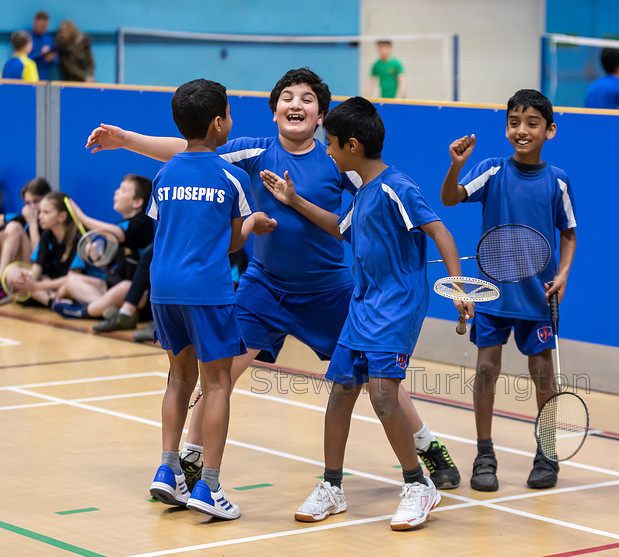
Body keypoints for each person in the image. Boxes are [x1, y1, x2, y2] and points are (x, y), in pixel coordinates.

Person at [85, 68, 462, 492]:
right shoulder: (254, 153)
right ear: (273, 112)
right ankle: (190, 461)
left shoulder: (339, 160)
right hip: (263, 288)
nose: (295, 103)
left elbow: (380, 193)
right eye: (287, 96)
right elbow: (192, 151)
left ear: (322, 117)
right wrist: (127, 140)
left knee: (378, 376)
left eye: (306, 98)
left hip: (329, 292)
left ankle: (427, 445)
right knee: (220, 374)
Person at [261, 96, 471, 530]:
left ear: (352, 146)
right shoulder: (362, 191)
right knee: (339, 393)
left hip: (397, 308)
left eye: (331, 144)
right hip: (363, 305)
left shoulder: (398, 186)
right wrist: (294, 200)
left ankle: (418, 485)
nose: (327, 152)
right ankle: (333, 488)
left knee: (382, 396)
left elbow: (442, 232)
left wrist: (457, 287)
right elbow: (340, 229)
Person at [146, 78, 275, 520]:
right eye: (230, 116)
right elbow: (231, 247)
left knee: (177, 378)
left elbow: (165, 230)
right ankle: (210, 487)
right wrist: (253, 222)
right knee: (216, 383)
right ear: (219, 123)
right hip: (207, 291)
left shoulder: (165, 173)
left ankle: (167, 471)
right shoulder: (231, 176)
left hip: (163, 290)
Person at [440, 89, 578, 491]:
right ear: (506, 128)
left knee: (542, 374)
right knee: (485, 370)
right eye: (515, 123)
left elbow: (569, 233)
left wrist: (564, 273)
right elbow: (450, 199)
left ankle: (547, 451)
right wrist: (455, 166)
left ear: (549, 130)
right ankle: (485, 454)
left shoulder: (558, 181)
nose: (522, 130)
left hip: (537, 294)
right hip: (493, 294)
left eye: (532, 123)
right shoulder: (492, 169)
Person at [51, 174, 154, 321]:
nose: (116, 192)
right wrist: (97, 256)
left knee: (125, 287)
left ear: (137, 202)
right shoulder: (119, 224)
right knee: (73, 280)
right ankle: (110, 311)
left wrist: (83, 219)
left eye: (123, 190)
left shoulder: (143, 223)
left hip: (139, 295)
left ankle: (85, 312)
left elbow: (119, 235)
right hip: (115, 288)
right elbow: (111, 267)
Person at [15, 192, 86, 307]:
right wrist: (27, 281)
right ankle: (51, 301)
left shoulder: (79, 238)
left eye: (46, 212)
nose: (40, 216)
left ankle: (51, 300)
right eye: (41, 212)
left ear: (62, 216)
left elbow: (73, 277)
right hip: (52, 282)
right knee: (17, 275)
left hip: (73, 284)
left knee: (66, 288)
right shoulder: (47, 235)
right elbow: (37, 267)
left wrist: (36, 286)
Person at [0, 178, 51, 292]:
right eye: (28, 203)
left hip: (37, 270)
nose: (32, 207)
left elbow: (38, 256)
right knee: (5, 231)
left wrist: (32, 223)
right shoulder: (25, 216)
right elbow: (4, 219)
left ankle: (2, 283)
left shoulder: (49, 222)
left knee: (14, 228)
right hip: (20, 267)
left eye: (36, 201)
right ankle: (3, 279)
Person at [29, 11, 56, 80]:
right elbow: (22, 57)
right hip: (29, 76)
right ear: (34, 23)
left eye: (45, 26)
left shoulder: (49, 39)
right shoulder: (27, 37)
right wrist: (39, 54)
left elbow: (57, 59)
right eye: (41, 26)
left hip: (45, 76)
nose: (43, 28)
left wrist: (52, 58)